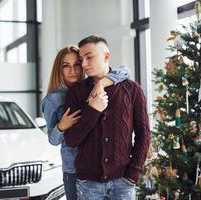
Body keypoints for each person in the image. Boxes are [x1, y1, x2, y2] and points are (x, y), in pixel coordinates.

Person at [63, 35, 150, 200]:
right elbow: (71, 139)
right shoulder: (76, 93)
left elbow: (143, 134)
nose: (84, 64)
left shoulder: (132, 90)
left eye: (89, 57)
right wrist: (93, 110)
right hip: (88, 184)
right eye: (82, 59)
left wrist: (133, 173)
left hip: (123, 182)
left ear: (106, 56)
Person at [41, 45, 130, 200]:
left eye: (77, 64)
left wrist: (101, 83)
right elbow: (52, 140)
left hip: (97, 166)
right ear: (59, 69)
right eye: (66, 66)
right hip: (73, 169)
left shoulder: (90, 87)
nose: (73, 70)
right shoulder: (52, 99)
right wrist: (62, 126)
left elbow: (125, 71)